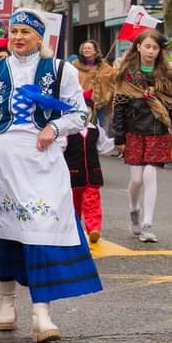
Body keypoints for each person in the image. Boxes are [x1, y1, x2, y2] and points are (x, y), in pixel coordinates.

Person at [0, 8, 102, 343]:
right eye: (14, 32)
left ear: (40, 37)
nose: (19, 38)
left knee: (42, 231)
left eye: (26, 32)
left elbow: (79, 113)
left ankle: (42, 313)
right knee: (6, 231)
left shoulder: (60, 69)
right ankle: (7, 302)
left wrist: (53, 127)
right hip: (2, 158)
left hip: (42, 159)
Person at [112, 28, 172, 243]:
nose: (151, 51)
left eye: (155, 47)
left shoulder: (166, 73)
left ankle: (147, 224)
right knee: (136, 180)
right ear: (139, 47)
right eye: (147, 47)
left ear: (160, 50)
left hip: (158, 131)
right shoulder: (127, 74)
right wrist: (119, 137)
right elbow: (119, 108)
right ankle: (134, 209)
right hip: (134, 132)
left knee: (150, 174)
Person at [65, 90, 111, 244]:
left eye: (88, 111)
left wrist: (120, 144)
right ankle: (74, 229)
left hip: (92, 174)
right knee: (73, 204)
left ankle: (94, 229)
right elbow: (60, 149)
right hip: (72, 175)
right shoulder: (67, 131)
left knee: (92, 202)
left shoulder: (96, 130)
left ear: (92, 112)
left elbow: (105, 147)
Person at [72, 39, 116, 128]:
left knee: (100, 130)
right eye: (84, 48)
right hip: (81, 104)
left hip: (99, 105)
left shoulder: (105, 67)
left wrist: (105, 98)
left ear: (95, 51)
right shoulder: (74, 66)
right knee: (82, 129)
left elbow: (113, 83)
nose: (86, 50)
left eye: (89, 48)